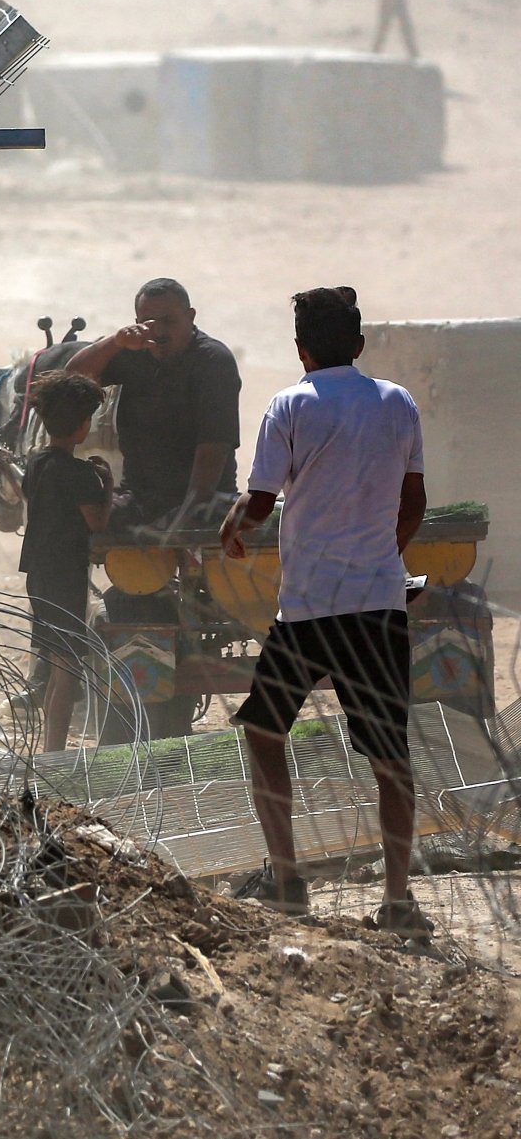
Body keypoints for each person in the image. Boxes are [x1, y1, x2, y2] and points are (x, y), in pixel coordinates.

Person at [218, 288, 431, 939]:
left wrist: (232, 527)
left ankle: (287, 877)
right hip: (376, 608)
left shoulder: (289, 404)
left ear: (301, 349)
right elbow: (415, 500)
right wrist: (384, 559)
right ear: (359, 345)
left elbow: (258, 503)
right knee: (390, 755)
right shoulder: (398, 402)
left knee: (263, 731)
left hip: (308, 611)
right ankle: (397, 897)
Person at [66, 277, 242, 527]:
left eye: (168, 321)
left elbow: (213, 449)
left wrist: (182, 521)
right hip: (140, 498)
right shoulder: (135, 351)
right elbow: (72, 378)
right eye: (149, 323)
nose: (158, 332)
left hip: (206, 501)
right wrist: (115, 342)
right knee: (69, 518)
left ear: (190, 317)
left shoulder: (213, 362)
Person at [20, 371, 114, 753]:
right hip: (65, 577)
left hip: (39, 575)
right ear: (83, 425)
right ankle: (54, 754)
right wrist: (106, 485)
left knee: (56, 666)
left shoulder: (37, 462)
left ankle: (50, 748)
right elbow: (98, 522)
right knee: (67, 671)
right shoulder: (80, 474)